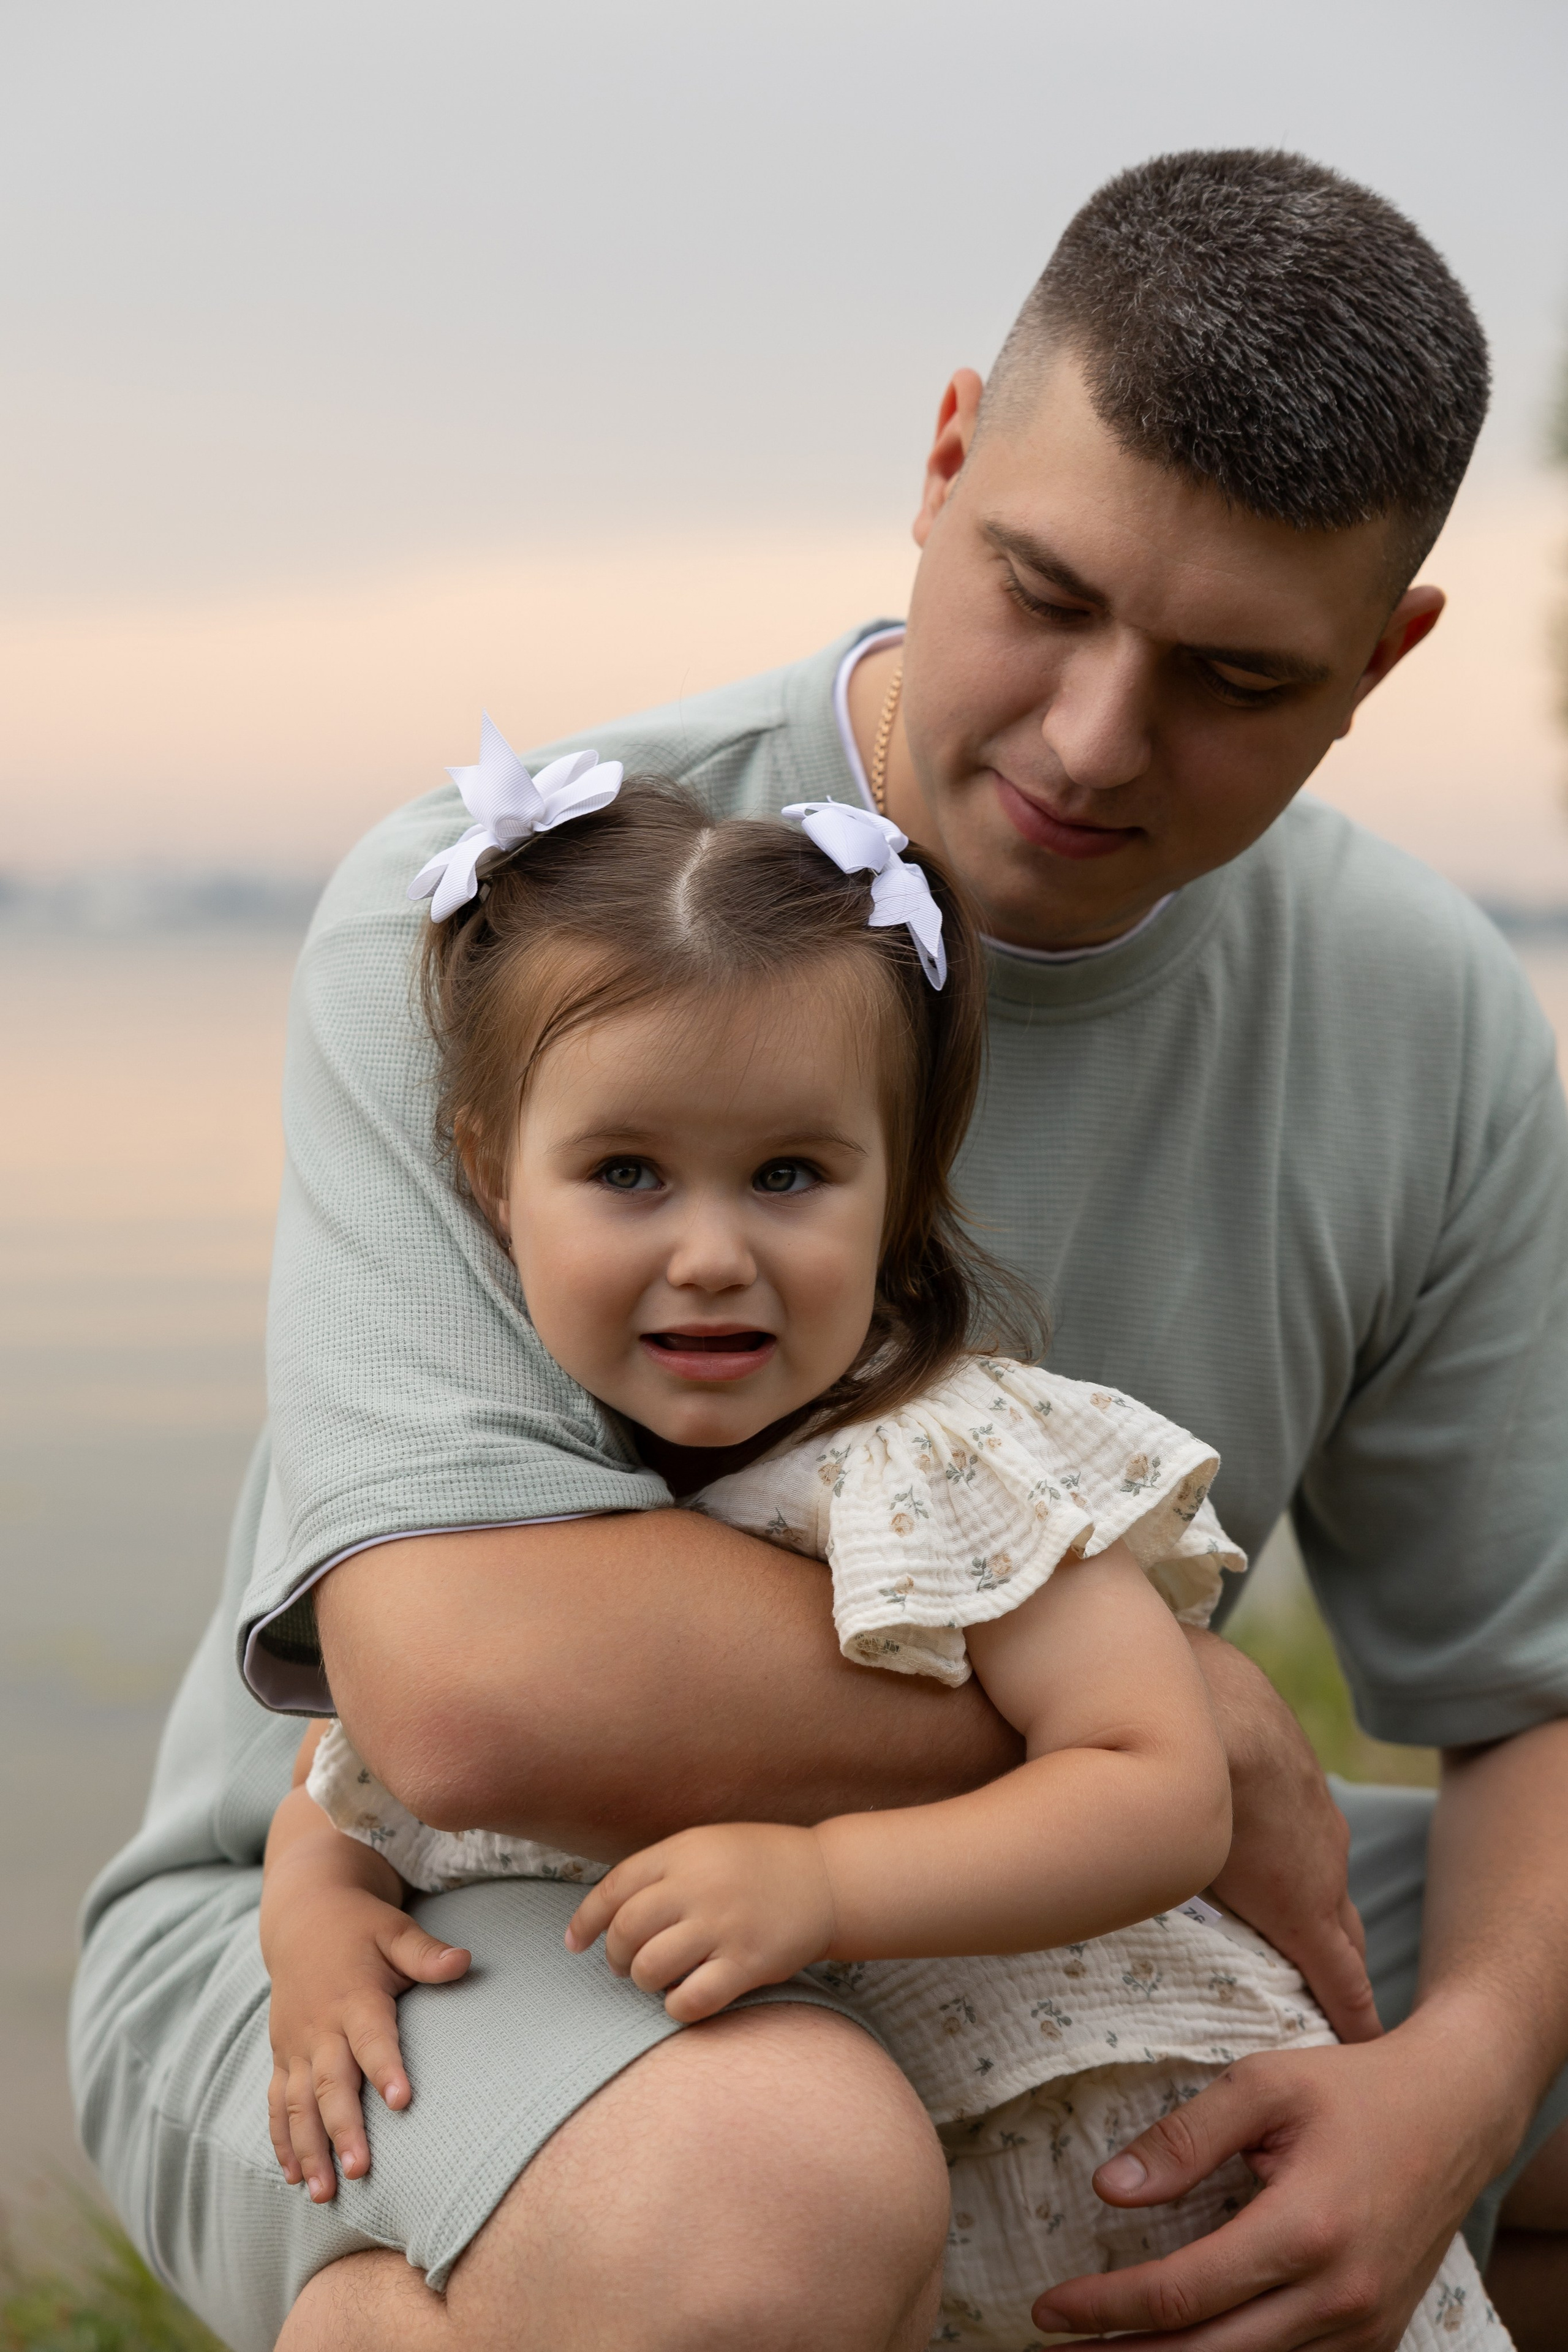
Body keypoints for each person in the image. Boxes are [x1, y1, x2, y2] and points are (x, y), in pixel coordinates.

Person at [69, 147, 1568, 2352]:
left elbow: (1529, 1695)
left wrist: (1462, 2081)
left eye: (1237, 676)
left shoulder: (1426, 1011)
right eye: (1044, 594)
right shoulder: (525, 919)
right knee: (773, 2184)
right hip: (392, 1931)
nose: (1092, 738)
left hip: (1047, 1913)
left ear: (1385, 656)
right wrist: (1166, 1738)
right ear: (946, 455)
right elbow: (465, 1703)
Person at [256, 763, 1504, 2350]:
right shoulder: (517, 1481)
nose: (710, 1253)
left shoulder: (935, 1458)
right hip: (906, 2201)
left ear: (897, 1190)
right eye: (627, 1174)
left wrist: (826, 1880)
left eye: (789, 1176)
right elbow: (357, 1771)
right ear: (494, 1171)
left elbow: (1157, 1783)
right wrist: (315, 1916)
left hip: (1138, 2159)